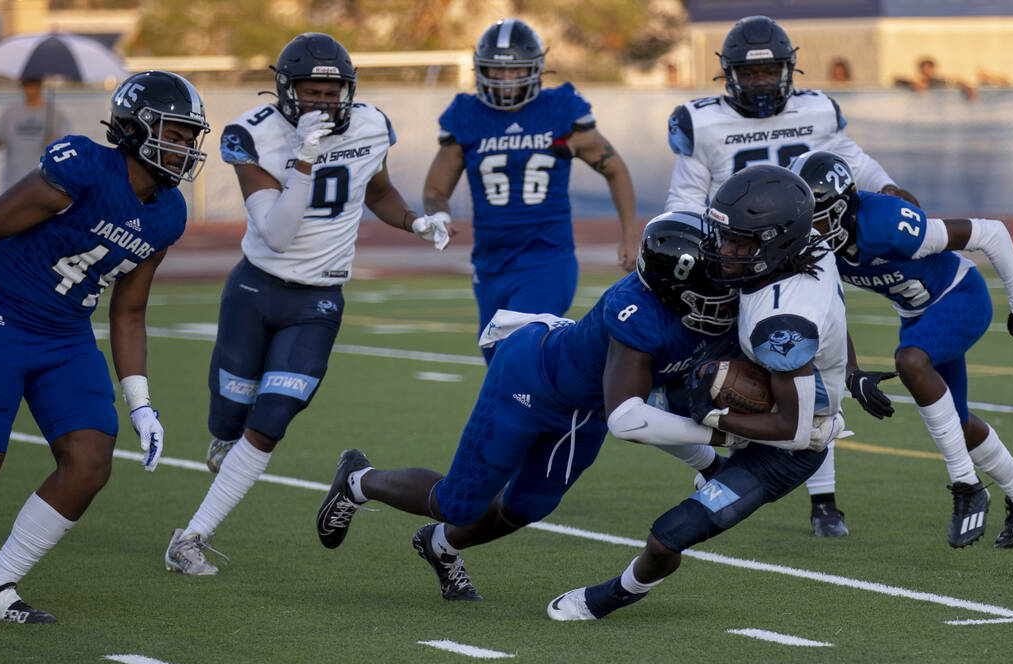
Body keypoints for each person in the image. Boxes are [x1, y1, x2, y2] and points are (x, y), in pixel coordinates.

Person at [0, 70, 211, 622]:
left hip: (67, 337)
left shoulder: (169, 213)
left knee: (90, 460)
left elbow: (128, 311)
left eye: (187, 136)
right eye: (171, 133)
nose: (183, 147)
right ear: (130, 128)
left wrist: (142, 403)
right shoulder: (81, 167)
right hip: (2, 317)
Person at [314, 212, 747, 601]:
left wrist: (708, 461)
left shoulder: (708, 313)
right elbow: (630, 417)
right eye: (707, 282)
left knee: (527, 507)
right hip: (530, 382)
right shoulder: (636, 313)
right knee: (458, 504)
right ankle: (358, 479)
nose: (721, 290)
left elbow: (659, 406)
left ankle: (440, 545)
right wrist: (718, 442)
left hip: (584, 410)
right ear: (674, 290)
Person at [163, 33, 450, 576]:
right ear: (285, 90)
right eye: (311, 90)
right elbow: (276, 232)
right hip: (255, 290)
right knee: (229, 414)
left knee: (272, 419)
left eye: (332, 90)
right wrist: (305, 158)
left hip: (318, 298)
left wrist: (416, 221)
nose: (322, 101)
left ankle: (192, 538)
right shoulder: (252, 135)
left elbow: (378, 190)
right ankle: (225, 440)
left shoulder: (370, 124)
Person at [547, 164, 849, 621]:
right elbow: (832, 319)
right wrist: (855, 371)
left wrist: (715, 421)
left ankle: (619, 593)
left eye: (741, 243)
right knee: (629, 397)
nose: (726, 251)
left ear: (777, 243)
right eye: (726, 237)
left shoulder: (780, 323)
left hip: (789, 441)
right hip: (759, 389)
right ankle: (710, 466)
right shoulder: (809, 245)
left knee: (669, 534)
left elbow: (792, 429)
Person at [664, 15, 918, 537]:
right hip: (737, 259)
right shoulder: (702, 121)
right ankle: (721, 463)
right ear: (728, 75)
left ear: (789, 70)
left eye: (770, 72)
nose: (760, 83)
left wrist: (889, 187)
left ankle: (823, 500)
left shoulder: (817, 109)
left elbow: (851, 159)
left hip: (807, 253)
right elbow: (686, 198)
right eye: (749, 74)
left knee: (814, 371)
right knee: (726, 372)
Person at [790, 150, 1013, 548]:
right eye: (803, 219)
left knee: (910, 361)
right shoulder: (816, 246)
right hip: (916, 315)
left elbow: (992, 233)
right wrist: (852, 373)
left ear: (845, 207)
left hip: (960, 295)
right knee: (958, 422)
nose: (811, 229)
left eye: (819, 217)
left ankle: (967, 485)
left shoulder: (885, 222)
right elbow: (829, 310)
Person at [423, 18, 639, 362]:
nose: (507, 80)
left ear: (535, 68)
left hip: (547, 258)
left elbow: (616, 170)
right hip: (490, 264)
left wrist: (629, 236)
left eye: (516, 70)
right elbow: (436, 187)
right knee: (498, 365)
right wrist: (439, 213)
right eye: (497, 71)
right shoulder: (467, 116)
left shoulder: (559, 111)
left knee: (517, 355)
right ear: (482, 70)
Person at [0, 77, 71, 191]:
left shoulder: (56, 113)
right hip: (13, 180)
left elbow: (70, 146)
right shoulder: (10, 111)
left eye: (32, 84)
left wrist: (55, 144)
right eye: (25, 84)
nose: (28, 89)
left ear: (40, 85)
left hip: (46, 181)